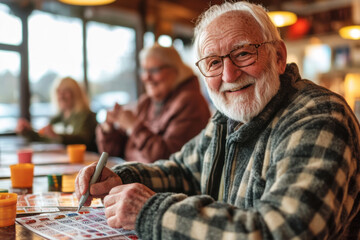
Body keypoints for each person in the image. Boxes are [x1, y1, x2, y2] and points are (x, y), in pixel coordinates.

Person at [75, 1, 360, 239]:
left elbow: (286, 230)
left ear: (278, 57)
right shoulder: (227, 116)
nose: (228, 75)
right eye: (213, 62)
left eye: (243, 53)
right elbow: (185, 172)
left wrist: (152, 211)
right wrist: (122, 178)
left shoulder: (318, 115)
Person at [96, 43, 211, 163]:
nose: (146, 77)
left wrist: (133, 126)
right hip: (132, 174)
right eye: (144, 70)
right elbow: (111, 152)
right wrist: (109, 127)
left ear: (175, 70)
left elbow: (168, 160)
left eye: (154, 70)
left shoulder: (191, 102)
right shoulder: (146, 102)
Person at [16, 77, 98, 152]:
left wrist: (57, 136)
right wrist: (27, 131)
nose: (61, 96)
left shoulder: (87, 116)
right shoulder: (58, 118)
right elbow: (47, 138)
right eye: (58, 92)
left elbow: (83, 140)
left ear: (76, 94)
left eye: (66, 91)